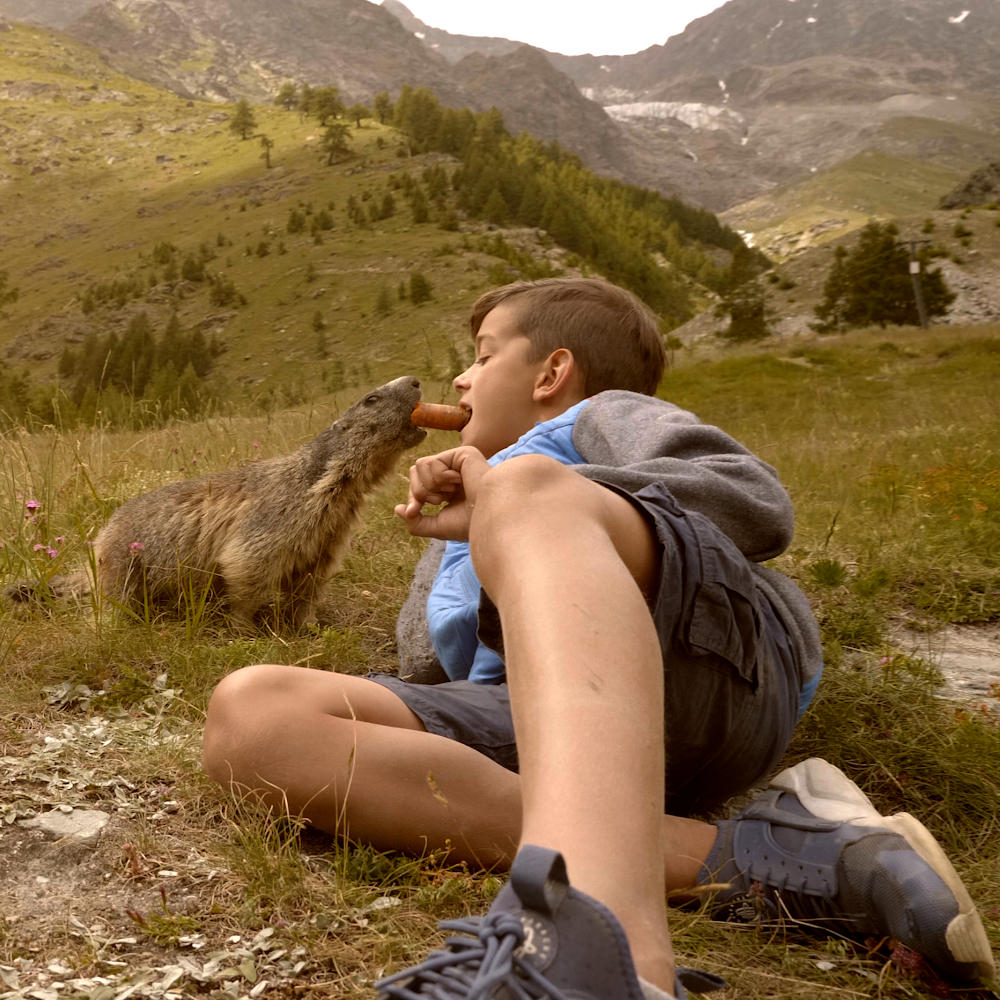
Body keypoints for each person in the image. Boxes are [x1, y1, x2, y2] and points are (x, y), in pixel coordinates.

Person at [202, 278, 995, 998]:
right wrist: (464, 532)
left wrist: (531, 499)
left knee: (527, 490)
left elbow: (752, 502)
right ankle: (789, 863)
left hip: (709, 673)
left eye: (480, 358)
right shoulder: (479, 491)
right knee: (253, 715)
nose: (459, 381)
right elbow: (439, 669)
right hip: (542, 722)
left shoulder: (600, 420)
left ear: (551, 374)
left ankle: (604, 956)